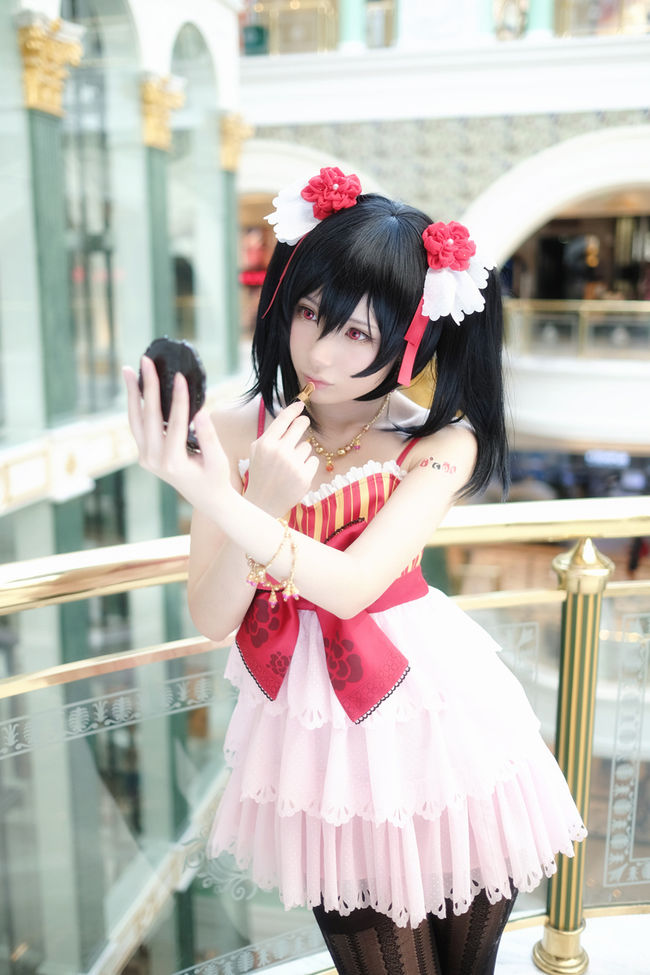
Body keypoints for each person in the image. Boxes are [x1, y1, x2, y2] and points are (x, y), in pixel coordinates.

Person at [124, 167, 587, 975]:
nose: (321, 350)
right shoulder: (231, 432)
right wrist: (254, 493)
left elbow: (351, 585)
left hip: (443, 718)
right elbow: (212, 615)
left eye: (358, 333)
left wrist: (222, 496)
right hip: (319, 738)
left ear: (411, 342)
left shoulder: (439, 443)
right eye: (309, 312)